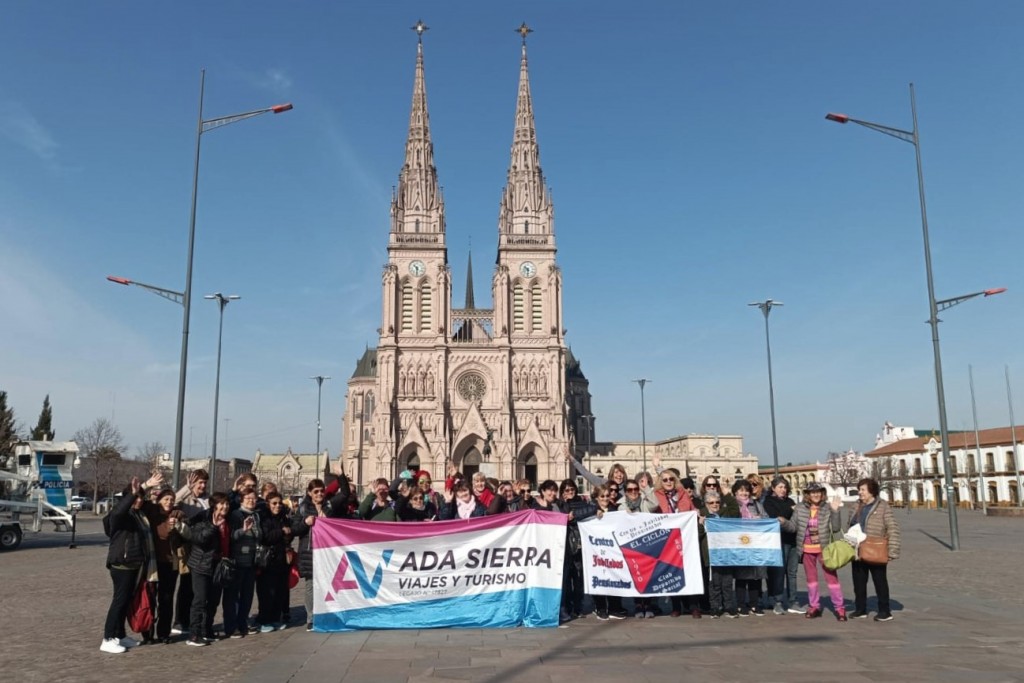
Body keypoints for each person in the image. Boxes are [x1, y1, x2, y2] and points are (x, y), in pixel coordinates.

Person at [100, 473, 162, 654]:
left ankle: (119, 635)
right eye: (136, 499)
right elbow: (119, 511)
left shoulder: (138, 514)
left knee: (126, 601)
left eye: (141, 499)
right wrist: (138, 490)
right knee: (119, 601)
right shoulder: (121, 515)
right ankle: (108, 637)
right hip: (122, 565)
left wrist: (147, 487)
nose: (139, 501)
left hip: (135, 564)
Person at [780, 481, 845, 620]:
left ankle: (839, 608)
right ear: (807, 495)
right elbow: (793, 527)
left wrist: (835, 511)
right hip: (807, 550)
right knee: (811, 580)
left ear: (822, 494)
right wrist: (784, 522)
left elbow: (836, 528)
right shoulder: (800, 509)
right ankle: (814, 606)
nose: (815, 494)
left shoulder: (827, 508)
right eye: (812, 492)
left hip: (824, 549)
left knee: (832, 578)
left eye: (818, 492)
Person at [293, 475, 351, 630]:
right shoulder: (303, 508)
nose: (319, 494)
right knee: (311, 585)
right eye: (316, 491)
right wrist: (306, 523)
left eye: (322, 491)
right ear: (309, 493)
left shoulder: (329, 506)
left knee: (329, 584)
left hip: (327, 553)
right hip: (309, 552)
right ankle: (311, 617)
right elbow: (295, 529)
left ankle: (328, 613)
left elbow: (345, 493)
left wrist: (341, 476)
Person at [848, 477, 901, 622]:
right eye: (859, 490)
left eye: (863, 490)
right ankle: (860, 609)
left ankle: (884, 611)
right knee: (858, 582)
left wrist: (893, 550)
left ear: (872, 491)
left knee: (880, 581)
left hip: (876, 548)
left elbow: (892, 527)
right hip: (858, 549)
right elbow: (850, 524)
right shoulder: (856, 506)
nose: (860, 492)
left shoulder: (882, 506)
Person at [183, 491, 231, 647]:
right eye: (222, 503)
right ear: (214, 505)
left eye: (227, 503)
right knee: (200, 600)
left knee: (213, 600)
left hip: (217, 565)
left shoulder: (227, 520)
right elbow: (199, 539)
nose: (225, 506)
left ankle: (206, 630)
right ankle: (194, 634)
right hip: (201, 564)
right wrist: (213, 527)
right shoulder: (203, 518)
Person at [142, 487, 184, 644]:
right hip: (153, 563)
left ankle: (164, 633)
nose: (169, 502)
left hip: (170, 563)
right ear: (159, 501)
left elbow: (182, 535)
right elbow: (144, 504)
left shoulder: (177, 515)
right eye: (166, 499)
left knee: (166, 600)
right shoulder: (153, 514)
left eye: (172, 500)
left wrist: (178, 525)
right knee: (150, 598)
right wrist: (150, 490)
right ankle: (148, 633)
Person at [172, 469, 209, 636]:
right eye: (199, 482)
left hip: (204, 548)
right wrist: (186, 488)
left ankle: (197, 621)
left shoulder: (208, 500)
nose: (202, 486)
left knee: (199, 588)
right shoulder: (186, 499)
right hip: (188, 547)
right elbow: (172, 502)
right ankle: (180, 621)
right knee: (186, 586)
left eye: (204, 482)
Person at [222, 486, 260, 638]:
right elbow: (230, 537)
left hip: (251, 561)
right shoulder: (236, 515)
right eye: (248, 498)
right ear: (242, 500)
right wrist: (243, 530)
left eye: (253, 498)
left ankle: (243, 623)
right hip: (236, 562)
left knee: (247, 596)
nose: (251, 501)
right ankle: (231, 626)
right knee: (233, 597)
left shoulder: (256, 515)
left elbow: (259, 535)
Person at [586, 485, 628, 621]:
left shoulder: (615, 510)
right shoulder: (591, 509)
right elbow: (579, 516)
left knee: (615, 576)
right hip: (596, 550)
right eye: (602, 496)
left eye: (607, 496)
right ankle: (601, 607)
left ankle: (614, 607)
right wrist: (593, 511)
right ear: (596, 498)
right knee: (599, 577)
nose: (605, 499)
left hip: (612, 550)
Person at [256, 491, 293, 632]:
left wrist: (287, 534)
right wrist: (281, 531)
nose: (278, 506)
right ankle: (263, 620)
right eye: (274, 503)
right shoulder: (264, 518)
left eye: (279, 503)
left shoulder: (283, 517)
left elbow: (289, 535)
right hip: (267, 560)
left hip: (281, 559)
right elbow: (266, 537)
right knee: (267, 592)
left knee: (280, 591)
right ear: (268, 504)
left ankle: (275, 618)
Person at [763, 476, 800, 614]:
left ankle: (793, 601)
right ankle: (777, 601)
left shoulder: (790, 501)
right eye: (780, 487)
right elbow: (776, 517)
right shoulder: (768, 502)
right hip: (779, 541)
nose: (783, 490)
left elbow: (794, 517)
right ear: (773, 488)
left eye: (785, 487)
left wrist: (789, 515)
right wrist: (791, 512)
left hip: (793, 540)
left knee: (792, 572)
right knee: (779, 573)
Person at [732, 479, 768, 616]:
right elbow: (728, 520)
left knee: (756, 575)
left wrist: (760, 519)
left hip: (755, 545)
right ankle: (741, 604)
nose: (744, 493)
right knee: (741, 576)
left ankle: (754, 603)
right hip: (739, 545)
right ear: (735, 492)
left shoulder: (757, 505)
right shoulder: (732, 505)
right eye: (741, 490)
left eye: (746, 490)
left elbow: (767, 519)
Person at [701, 490, 738, 618]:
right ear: (706, 503)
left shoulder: (725, 513)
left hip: (726, 553)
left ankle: (728, 606)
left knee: (727, 582)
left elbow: (735, 510)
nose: (715, 505)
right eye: (711, 502)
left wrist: (728, 495)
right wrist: (702, 524)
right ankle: (715, 607)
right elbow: (697, 534)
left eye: (717, 502)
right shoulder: (702, 514)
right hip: (711, 554)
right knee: (714, 583)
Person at [558, 479, 588, 621]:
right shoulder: (560, 504)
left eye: (572, 490)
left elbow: (586, 513)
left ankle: (578, 606)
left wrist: (572, 517)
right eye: (567, 490)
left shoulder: (582, 503)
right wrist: (564, 506)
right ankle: (568, 606)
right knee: (566, 579)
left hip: (578, 545)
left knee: (578, 578)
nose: (570, 492)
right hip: (564, 546)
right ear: (562, 492)